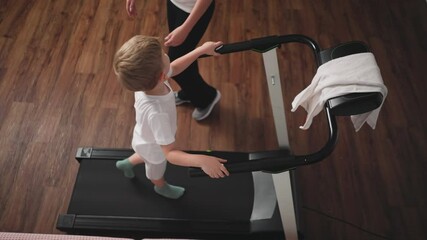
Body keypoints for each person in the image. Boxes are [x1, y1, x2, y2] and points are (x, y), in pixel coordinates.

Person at [113, 35, 229, 200]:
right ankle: (160, 187)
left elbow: (175, 67)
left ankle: (126, 164)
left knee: (142, 153)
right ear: (162, 77)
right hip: (155, 149)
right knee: (155, 170)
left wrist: (201, 50)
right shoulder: (157, 113)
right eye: (163, 55)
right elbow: (169, 153)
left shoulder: (145, 85)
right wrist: (201, 160)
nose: (167, 55)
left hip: (143, 138)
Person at [125, 0, 220, 121]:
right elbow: (173, 68)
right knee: (183, 53)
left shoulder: (142, 90)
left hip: (191, 11)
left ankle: (205, 98)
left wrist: (186, 28)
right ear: (161, 78)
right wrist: (201, 50)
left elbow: (174, 67)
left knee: (180, 56)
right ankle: (193, 93)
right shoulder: (165, 73)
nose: (164, 53)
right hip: (175, 3)